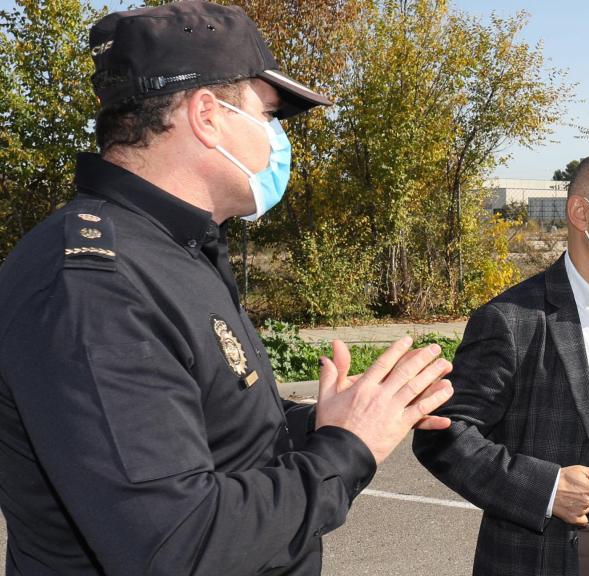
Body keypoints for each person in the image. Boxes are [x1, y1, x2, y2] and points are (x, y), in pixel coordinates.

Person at [0, 2, 454, 574]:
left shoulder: (175, 249)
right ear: (207, 116)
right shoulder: (93, 282)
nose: (275, 139)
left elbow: (212, 434)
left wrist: (324, 422)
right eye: (267, 114)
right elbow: (176, 545)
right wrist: (349, 447)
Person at [414, 152, 589, 576]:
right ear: (581, 213)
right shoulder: (514, 319)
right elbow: (444, 435)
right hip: (565, 551)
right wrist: (545, 489)